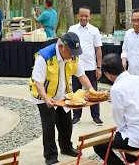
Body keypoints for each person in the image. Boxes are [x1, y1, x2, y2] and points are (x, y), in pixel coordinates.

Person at [28, 32, 94, 165]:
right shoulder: (44, 57)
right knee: (49, 125)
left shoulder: (73, 56)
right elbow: (38, 82)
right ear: (61, 47)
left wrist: (91, 90)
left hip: (62, 94)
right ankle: (50, 156)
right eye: (70, 52)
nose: (72, 56)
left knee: (66, 123)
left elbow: (81, 75)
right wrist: (46, 99)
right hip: (43, 96)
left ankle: (66, 147)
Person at [93, 53, 139, 165]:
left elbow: (119, 121)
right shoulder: (138, 79)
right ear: (122, 65)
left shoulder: (116, 89)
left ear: (108, 74)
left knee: (99, 145)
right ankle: (132, 160)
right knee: (125, 132)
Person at [68, 6, 103, 126]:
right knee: (76, 93)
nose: (83, 18)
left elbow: (98, 49)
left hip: (90, 66)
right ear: (78, 15)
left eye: (86, 16)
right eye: (81, 15)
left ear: (90, 16)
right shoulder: (72, 29)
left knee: (93, 92)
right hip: (76, 66)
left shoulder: (94, 30)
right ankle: (76, 116)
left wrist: (99, 67)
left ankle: (96, 117)